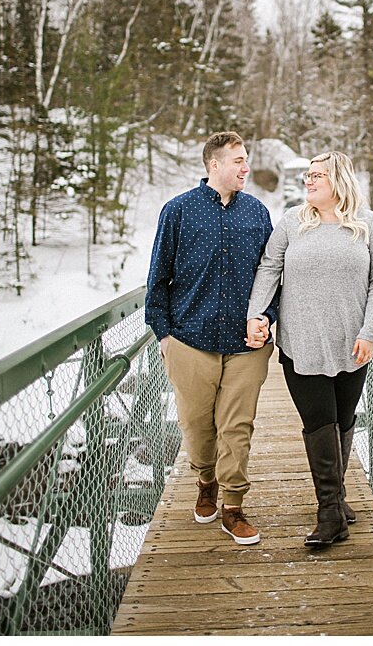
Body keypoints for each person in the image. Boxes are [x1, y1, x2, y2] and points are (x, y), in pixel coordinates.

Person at [246, 150, 373, 547]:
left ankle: (338, 500)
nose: (309, 181)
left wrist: (369, 332)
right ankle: (330, 513)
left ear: (339, 180)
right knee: (318, 422)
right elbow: (269, 269)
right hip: (301, 344)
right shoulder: (293, 221)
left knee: (343, 421)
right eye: (308, 175)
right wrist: (257, 314)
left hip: (352, 344)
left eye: (317, 176)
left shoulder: (368, 224)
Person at [146, 131, 278, 546]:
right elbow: (158, 277)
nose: (245, 168)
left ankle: (234, 505)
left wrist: (267, 318)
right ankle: (206, 480)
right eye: (238, 160)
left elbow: (271, 278)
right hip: (189, 339)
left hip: (245, 346)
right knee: (197, 425)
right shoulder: (178, 211)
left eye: (246, 159)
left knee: (237, 426)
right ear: (213, 165)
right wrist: (164, 335)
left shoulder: (258, 213)